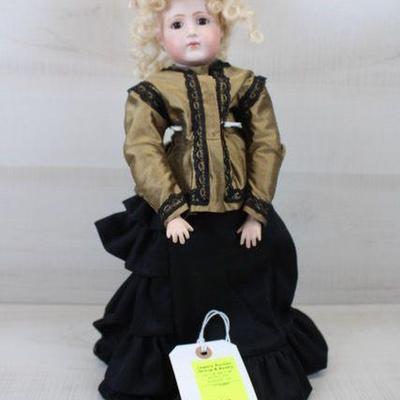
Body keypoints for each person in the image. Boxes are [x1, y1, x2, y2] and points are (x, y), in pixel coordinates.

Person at [92, 0, 329, 399]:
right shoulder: (153, 90)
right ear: (158, 35)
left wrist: (256, 211)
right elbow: (142, 148)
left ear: (222, 28)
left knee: (256, 273)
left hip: (239, 211)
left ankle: (244, 352)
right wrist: (170, 210)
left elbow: (267, 145)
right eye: (177, 24)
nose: (191, 31)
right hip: (183, 213)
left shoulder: (245, 83)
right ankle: (180, 357)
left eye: (202, 20)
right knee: (170, 286)